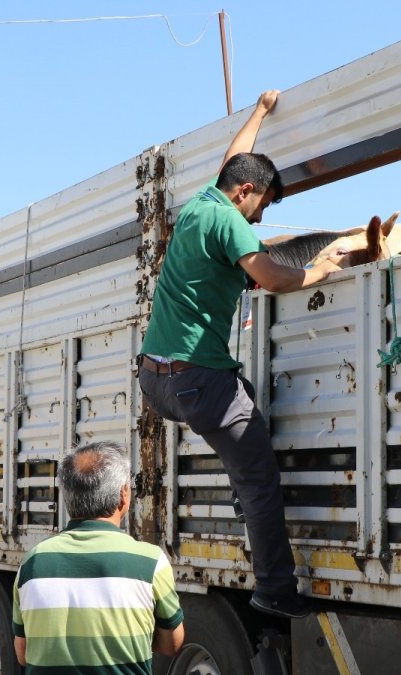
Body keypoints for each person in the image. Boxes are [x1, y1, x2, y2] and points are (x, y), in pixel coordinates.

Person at [138, 89, 342, 620]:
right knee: (260, 479)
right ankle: (275, 590)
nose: (259, 217)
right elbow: (271, 277)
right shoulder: (230, 220)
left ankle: (241, 490)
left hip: (156, 380)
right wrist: (319, 271)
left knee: (242, 398)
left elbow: (234, 157)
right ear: (245, 192)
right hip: (197, 383)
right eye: (262, 205)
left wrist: (260, 112)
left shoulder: (201, 203)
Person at [12, 441, 184, 674]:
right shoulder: (150, 562)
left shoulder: (32, 563)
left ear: (68, 497)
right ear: (123, 495)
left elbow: (23, 654)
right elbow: (173, 644)